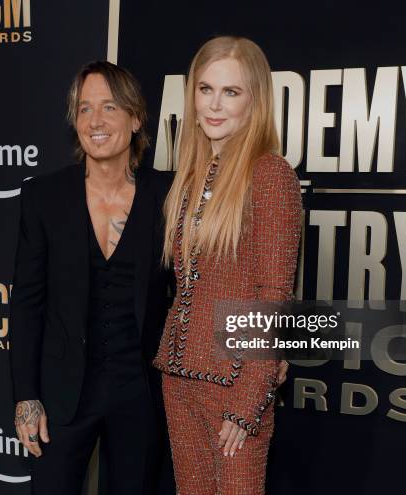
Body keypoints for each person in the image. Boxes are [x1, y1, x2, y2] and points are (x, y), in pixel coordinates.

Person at [9, 61, 176, 495]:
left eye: (109, 107)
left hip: (140, 395)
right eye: (84, 109)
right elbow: (27, 302)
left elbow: (195, 289)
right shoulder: (43, 197)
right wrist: (27, 397)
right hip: (62, 396)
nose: (95, 121)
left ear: (136, 118)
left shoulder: (169, 195)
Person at [153, 36, 302, 494]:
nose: (215, 105)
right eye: (205, 89)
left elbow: (273, 296)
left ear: (254, 100)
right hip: (179, 378)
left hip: (235, 383)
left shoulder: (270, 173)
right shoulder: (192, 176)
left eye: (231, 92)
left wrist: (249, 400)